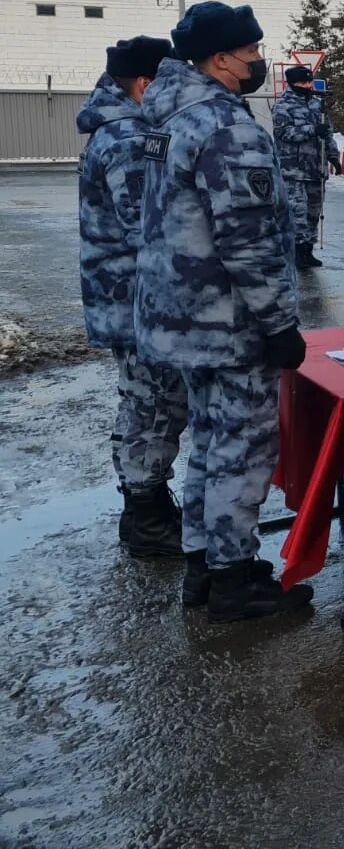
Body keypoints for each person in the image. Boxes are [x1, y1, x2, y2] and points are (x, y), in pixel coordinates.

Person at [135, 1, 312, 622]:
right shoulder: (222, 125)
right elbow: (248, 239)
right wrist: (279, 323)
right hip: (229, 325)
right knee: (241, 448)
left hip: (182, 320)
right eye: (252, 53)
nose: (260, 62)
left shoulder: (167, 118)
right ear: (220, 60)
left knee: (209, 445)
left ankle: (204, 567)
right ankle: (236, 583)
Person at [78, 36, 189, 558]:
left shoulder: (125, 127)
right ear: (146, 84)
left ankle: (145, 504)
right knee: (156, 404)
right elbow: (147, 224)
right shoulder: (128, 137)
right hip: (138, 300)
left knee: (146, 401)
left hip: (126, 296)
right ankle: (145, 515)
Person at [272, 65, 342, 269]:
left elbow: (327, 134)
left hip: (316, 169)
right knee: (297, 212)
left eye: (310, 82)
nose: (308, 86)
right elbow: (284, 133)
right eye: (303, 83)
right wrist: (311, 130)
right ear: (292, 84)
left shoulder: (317, 105)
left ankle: (308, 251)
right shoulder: (282, 106)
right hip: (293, 169)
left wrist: (334, 157)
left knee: (314, 212)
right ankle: (296, 250)